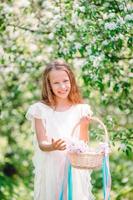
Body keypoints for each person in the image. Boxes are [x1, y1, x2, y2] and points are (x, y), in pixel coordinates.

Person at [26, 60, 95, 200]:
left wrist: (84, 125)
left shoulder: (81, 109)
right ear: (49, 85)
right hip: (51, 168)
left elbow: (83, 143)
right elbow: (42, 142)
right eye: (56, 83)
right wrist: (52, 146)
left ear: (71, 81)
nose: (62, 86)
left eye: (65, 81)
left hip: (74, 168)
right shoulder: (40, 109)